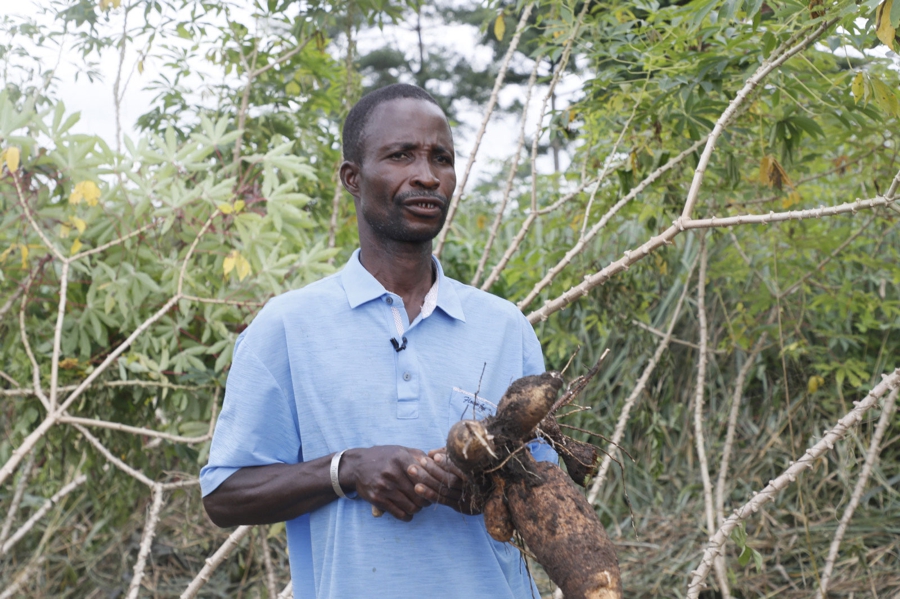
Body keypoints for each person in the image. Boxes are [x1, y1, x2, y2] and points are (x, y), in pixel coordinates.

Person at [200, 83, 555, 598]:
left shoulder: (504, 327)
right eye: (400, 155)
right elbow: (224, 495)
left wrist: (479, 484)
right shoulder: (286, 327)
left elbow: (548, 498)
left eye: (441, 158)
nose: (427, 176)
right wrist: (347, 469)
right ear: (352, 177)